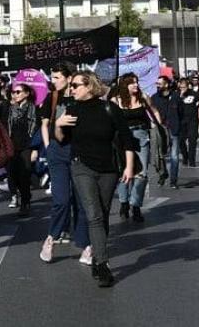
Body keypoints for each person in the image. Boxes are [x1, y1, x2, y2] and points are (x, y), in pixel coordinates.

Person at [56, 71, 137, 287]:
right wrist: (58, 124)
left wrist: (128, 167)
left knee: (101, 214)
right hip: (81, 167)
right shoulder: (71, 110)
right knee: (93, 215)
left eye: (75, 85)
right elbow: (62, 140)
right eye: (70, 85)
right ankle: (102, 264)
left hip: (108, 169)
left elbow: (127, 139)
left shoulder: (110, 108)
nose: (71, 89)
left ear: (89, 86)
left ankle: (95, 255)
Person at [38, 62, 90, 265]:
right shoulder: (51, 98)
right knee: (61, 199)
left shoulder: (81, 97)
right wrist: (48, 146)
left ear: (69, 79)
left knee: (81, 201)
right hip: (57, 152)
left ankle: (86, 245)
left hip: (78, 151)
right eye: (53, 77)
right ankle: (51, 237)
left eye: (58, 77)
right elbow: (44, 124)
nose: (54, 81)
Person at [111, 74, 160, 221]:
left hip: (141, 135)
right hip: (123, 139)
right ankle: (124, 202)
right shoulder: (115, 100)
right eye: (132, 83)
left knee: (142, 173)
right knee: (123, 172)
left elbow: (155, 111)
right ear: (124, 85)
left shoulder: (143, 97)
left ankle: (136, 205)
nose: (136, 85)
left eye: (137, 82)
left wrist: (157, 126)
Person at [0, 82, 37, 216]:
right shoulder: (8, 108)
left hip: (26, 147)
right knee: (12, 175)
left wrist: (35, 149)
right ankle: (16, 195)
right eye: (13, 92)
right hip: (10, 147)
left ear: (27, 93)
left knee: (25, 174)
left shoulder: (33, 109)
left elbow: (37, 130)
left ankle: (25, 202)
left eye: (18, 92)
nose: (15, 94)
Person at [178, 79, 199, 167]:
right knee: (181, 141)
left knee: (192, 141)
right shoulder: (177, 94)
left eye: (184, 87)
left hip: (193, 121)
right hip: (181, 121)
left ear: (187, 86)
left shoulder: (194, 93)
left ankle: (192, 161)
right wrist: (180, 96)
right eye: (181, 87)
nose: (182, 89)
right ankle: (185, 156)